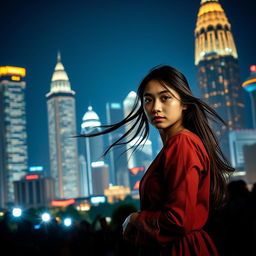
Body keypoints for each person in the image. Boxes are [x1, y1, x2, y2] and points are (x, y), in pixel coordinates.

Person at [77, 65, 234, 255]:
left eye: (165, 97)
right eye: (148, 100)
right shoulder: (176, 145)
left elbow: (178, 220)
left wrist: (135, 219)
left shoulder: (183, 143)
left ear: (184, 103)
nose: (156, 108)